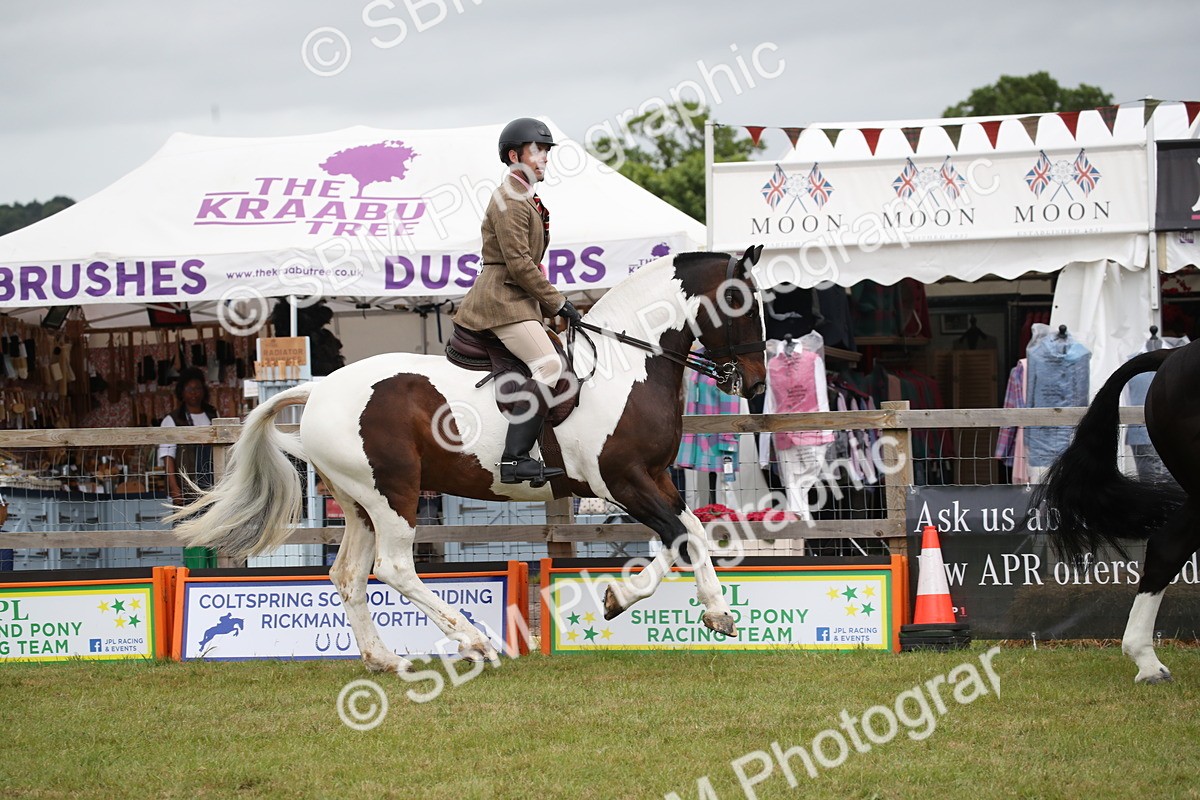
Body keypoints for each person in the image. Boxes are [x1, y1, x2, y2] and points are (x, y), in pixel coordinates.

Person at [455, 117, 582, 485]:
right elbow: (519, 263)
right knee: (548, 367)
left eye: (546, 151)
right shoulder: (510, 198)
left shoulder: (526, 196)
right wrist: (558, 302)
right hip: (502, 299)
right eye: (538, 150)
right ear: (515, 155)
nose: (544, 158)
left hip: (518, 300)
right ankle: (514, 459)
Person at [157, 366, 219, 568]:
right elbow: (168, 456)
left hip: (213, 486)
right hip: (187, 489)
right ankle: (197, 575)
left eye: (198, 388)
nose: (194, 393)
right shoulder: (172, 420)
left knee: (215, 534)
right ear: (181, 392)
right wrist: (175, 490)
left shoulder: (213, 415)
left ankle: (214, 575)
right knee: (193, 536)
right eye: (190, 389)